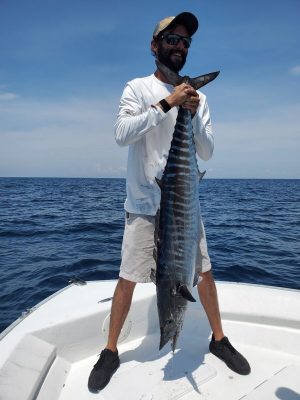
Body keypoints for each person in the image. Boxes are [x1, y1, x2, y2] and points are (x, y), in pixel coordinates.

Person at [88, 11, 250, 393]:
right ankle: (110, 350)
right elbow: (121, 134)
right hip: (143, 204)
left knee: (204, 272)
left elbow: (207, 153)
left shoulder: (199, 98)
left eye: (185, 42)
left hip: (184, 204)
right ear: (155, 45)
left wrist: (190, 113)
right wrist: (167, 102)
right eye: (172, 39)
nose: (179, 46)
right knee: (128, 278)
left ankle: (219, 339)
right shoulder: (137, 87)